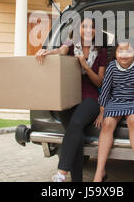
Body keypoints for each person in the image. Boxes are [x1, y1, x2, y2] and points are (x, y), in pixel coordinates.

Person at [35, 17, 108, 182]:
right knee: (76, 135)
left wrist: (85, 66)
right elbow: (59, 51)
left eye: (92, 27)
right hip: (69, 95)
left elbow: (99, 81)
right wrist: (45, 51)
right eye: (84, 26)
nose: (88, 30)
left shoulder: (101, 51)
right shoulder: (70, 45)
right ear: (78, 29)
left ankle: (61, 173)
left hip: (91, 96)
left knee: (75, 125)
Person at [93, 40, 134, 182]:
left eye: (128, 51)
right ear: (115, 54)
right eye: (120, 51)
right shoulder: (111, 67)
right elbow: (105, 91)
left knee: (133, 120)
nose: (124, 55)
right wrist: (102, 112)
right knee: (108, 123)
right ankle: (100, 171)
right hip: (116, 100)